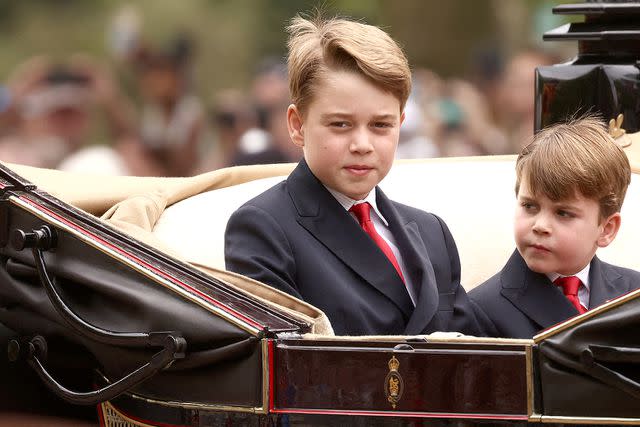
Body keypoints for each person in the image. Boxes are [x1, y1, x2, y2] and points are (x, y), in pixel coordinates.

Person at [224, 14, 484, 336]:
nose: (362, 145)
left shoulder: (432, 233)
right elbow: (287, 366)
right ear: (297, 124)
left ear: (400, 125)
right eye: (340, 124)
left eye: (380, 125)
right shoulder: (264, 229)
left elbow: (474, 354)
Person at [470, 117, 640, 339]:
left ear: (607, 229)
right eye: (529, 206)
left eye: (563, 213)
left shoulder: (633, 294)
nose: (540, 226)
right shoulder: (480, 310)